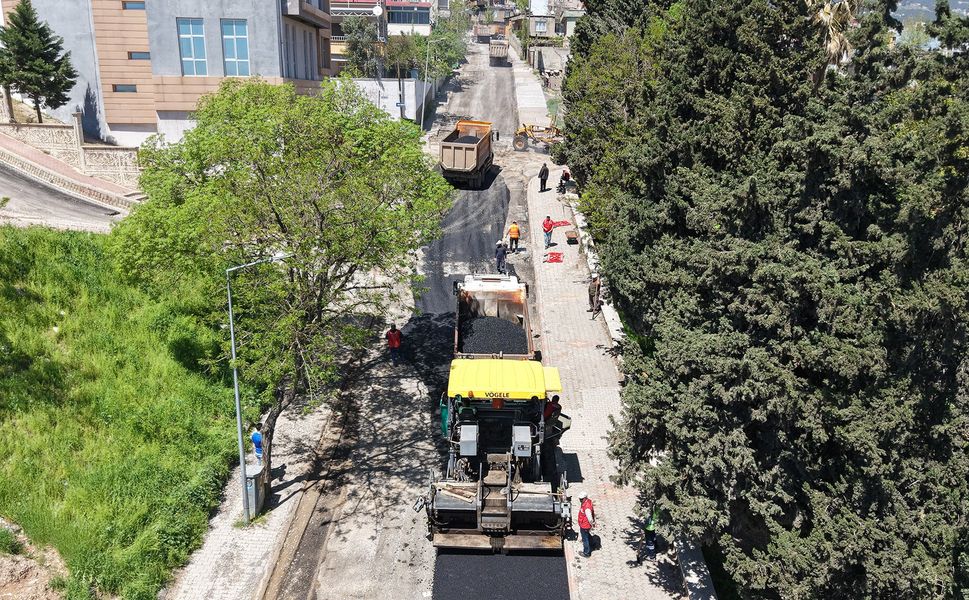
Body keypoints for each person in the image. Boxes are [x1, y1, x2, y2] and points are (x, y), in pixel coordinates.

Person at [577, 490, 596, 557]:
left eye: (581, 499)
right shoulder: (587, 502)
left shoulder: (587, 507)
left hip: (585, 525)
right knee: (587, 534)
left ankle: (586, 553)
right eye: (579, 499)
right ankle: (592, 543)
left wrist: (592, 524)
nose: (580, 500)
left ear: (585, 498)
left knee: (585, 539)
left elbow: (590, 518)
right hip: (584, 524)